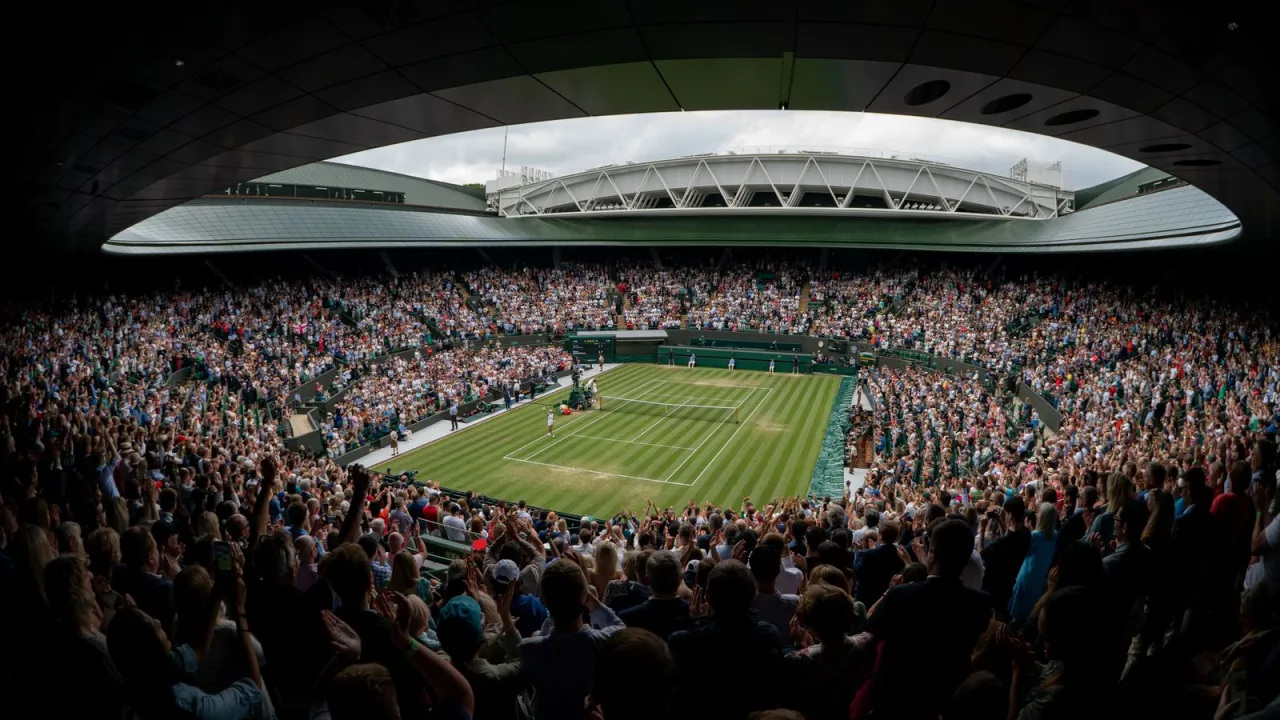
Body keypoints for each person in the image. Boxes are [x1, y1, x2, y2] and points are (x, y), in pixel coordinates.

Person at [859, 519, 991, 720]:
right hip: (943, 701)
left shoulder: (899, 595)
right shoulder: (980, 603)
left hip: (894, 701)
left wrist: (887, 594)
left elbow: (869, 633)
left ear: (932, 554)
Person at [519, 559, 624, 720]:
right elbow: (620, 627)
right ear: (585, 596)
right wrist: (592, 601)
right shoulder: (602, 642)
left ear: (544, 601)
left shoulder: (529, 650)